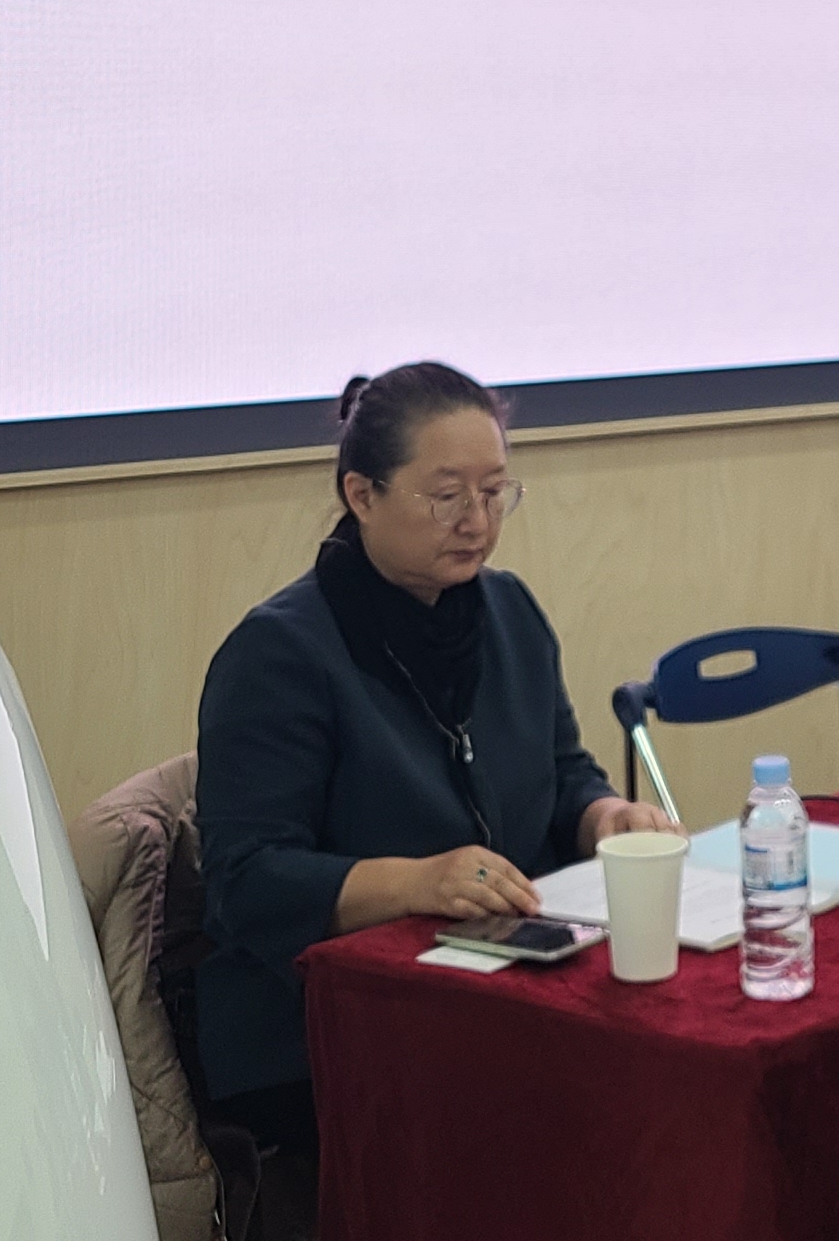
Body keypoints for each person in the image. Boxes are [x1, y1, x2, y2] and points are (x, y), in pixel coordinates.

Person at [194, 364, 674, 1158]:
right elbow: (246, 881)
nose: (476, 522)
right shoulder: (278, 653)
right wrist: (416, 882)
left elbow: (563, 771)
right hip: (324, 1025)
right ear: (362, 495)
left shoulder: (509, 611)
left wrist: (604, 817)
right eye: (447, 496)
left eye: (495, 493)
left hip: (498, 978)